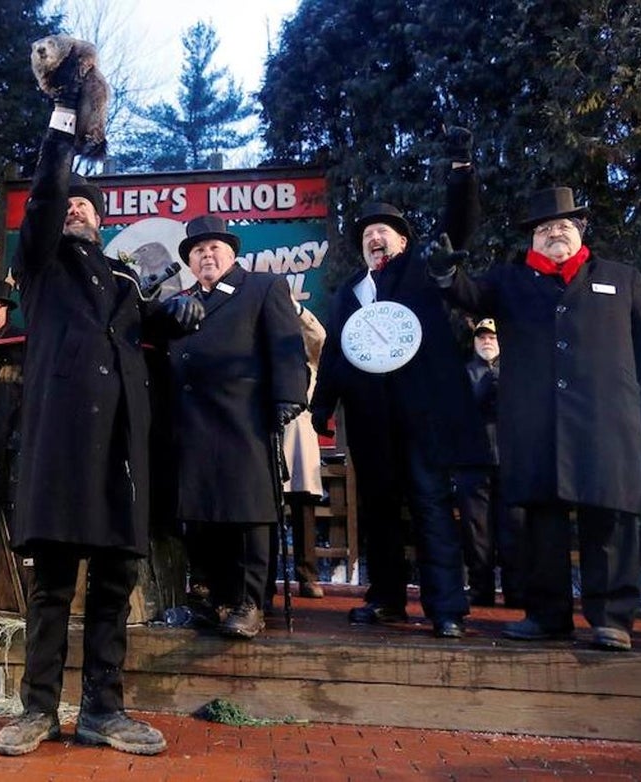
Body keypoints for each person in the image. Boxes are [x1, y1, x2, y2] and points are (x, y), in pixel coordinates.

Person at [0, 61, 203, 757]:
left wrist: (183, 309)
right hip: (60, 447)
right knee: (53, 588)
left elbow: (148, 325)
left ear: (104, 219)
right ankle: (36, 710)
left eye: (88, 203)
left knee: (114, 586)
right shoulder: (42, 262)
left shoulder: (120, 278)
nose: (78, 206)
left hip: (121, 449)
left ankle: (102, 712)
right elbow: (49, 193)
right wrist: (64, 121)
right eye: (70, 202)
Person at [429, 186, 641, 650]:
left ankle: (611, 620)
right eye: (544, 229)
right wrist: (446, 272)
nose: (553, 234)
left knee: (609, 520)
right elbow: (467, 293)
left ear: (580, 231)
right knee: (540, 523)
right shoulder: (509, 281)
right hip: (536, 423)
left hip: (607, 422)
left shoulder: (621, 278)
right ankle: (547, 616)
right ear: (532, 240)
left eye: (563, 226)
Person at [309, 128, 485, 639]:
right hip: (369, 418)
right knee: (378, 509)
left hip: (422, 415)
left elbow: (457, 227)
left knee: (430, 504)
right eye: (366, 235)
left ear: (402, 242)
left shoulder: (418, 272)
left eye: (384, 232)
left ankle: (446, 607)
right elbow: (337, 352)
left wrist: (461, 172)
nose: (375, 238)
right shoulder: (348, 293)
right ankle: (386, 598)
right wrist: (323, 406)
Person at [167, 215, 308, 639]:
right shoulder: (182, 300)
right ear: (190, 262)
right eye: (197, 250)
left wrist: (288, 397)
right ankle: (212, 597)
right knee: (201, 511)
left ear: (231, 253)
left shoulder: (262, 288)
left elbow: (287, 346)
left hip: (243, 418)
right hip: (192, 421)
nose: (206, 255)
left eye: (213, 248)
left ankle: (250, 602)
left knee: (249, 511)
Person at [453, 318, 524, 607]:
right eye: (481, 337)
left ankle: (516, 590)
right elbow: (458, 414)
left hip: (511, 462)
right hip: (474, 462)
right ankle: (481, 588)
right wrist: (484, 390)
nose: (487, 341)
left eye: (493, 337)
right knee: (476, 531)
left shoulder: (516, 373)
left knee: (515, 530)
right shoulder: (463, 373)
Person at [277, 301, 330, 600]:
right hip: (268, 431)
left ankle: (307, 575)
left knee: (303, 506)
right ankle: (265, 578)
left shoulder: (307, 354)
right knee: (267, 510)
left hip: (299, 433)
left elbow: (320, 338)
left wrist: (297, 310)